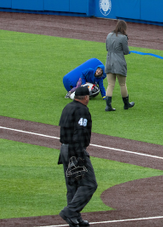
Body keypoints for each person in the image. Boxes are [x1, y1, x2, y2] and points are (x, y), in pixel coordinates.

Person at [58, 86, 97, 227]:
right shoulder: (82, 110)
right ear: (86, 97)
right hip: (75, 150)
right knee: (89, 184)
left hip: (64, 149)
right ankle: (70, 211)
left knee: (73, 185)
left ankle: (74, 218)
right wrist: (79, 154)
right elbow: (80, 132)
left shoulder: (67, 107)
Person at [105, 20, 135, 111]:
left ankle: (108, 106)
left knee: (110, 84)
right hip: (119, 62)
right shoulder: (123, 37)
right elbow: (126, 51)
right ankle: (126, 104)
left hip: (109, 61)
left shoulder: (109, 35)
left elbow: (107, 48)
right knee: (122, 84)